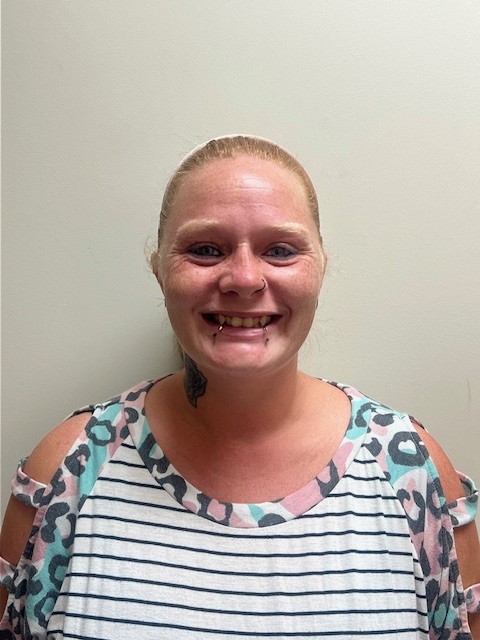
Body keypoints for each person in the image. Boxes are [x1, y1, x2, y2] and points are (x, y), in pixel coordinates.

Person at [1, 134, 479, 639]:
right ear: (159, 269)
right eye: (206, 250)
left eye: (281, 250)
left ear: (320, 268)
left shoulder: (413, 474)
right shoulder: (67, 471)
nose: (245, 278)